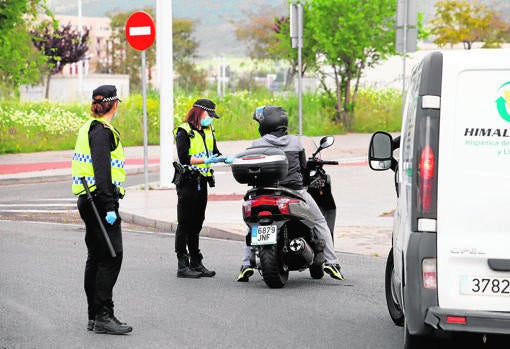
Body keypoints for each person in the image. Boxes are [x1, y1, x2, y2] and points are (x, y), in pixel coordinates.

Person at [237, 105, 344, 282]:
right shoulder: (295, 142)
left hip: (263, 192)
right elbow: (303, 169)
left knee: (252, 226)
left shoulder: (256, 144)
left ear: (266, 124)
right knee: (319, 221)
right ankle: (331, 262)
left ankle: (246, 265)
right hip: (294, 191)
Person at [72, 85, 132, 335]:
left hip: (90, 198)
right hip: (99, 201)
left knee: (96, 257)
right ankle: (103, 315)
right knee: (112, 256)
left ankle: (94, 316)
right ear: (114, 104)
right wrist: (109, 205)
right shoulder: (101, 131)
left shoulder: (89, 127)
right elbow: (102, 170)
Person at [172, 98, 227, 278]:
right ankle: (182, 264)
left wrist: (224, 159)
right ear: (199, 112)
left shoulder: (208, 130)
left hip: (202, 180)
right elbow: (183, 157)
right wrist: (205, 160)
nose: (210, 119)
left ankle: (196, 261)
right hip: (187, 180)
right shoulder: (184, 131)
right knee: (185, 222)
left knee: (197, 221)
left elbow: (215, 151)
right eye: (209, 115)